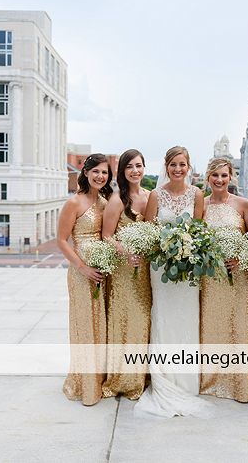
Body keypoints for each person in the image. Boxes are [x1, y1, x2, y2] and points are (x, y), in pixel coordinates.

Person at [133, 146, 213, 419]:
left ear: (188, 167)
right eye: (173, 164)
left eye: (182, 164)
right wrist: (168, 248)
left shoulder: (197, 194)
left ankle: (187, 382)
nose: (178, 169)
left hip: (189, 270)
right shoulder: (156, 195)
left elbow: (199, 231)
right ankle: (164, 377)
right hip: (162, 269)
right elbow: (149, 232)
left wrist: (189, 250)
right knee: (164, 318)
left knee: (187, 319)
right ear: (166, 167)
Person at [56, 153, 113, 406]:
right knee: (85, 326)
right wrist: (82, 268)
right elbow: (61, 241)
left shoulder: (106, 202)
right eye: (96, 171)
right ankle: (84, 384)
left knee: (100, 325)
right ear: (86, 173)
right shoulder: (74, 202)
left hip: (103, 271)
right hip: (81, 274)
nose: (100, 176)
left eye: (105, 172)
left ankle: (99, 379)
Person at [199, 158, 248, 402]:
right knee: (212, 327)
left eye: (224, 175)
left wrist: (241, 259)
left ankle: (239, 384)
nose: (219, 180)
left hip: (239, 280)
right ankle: (212, 381)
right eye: (215, 175)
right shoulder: (200, 205)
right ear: (208, 177)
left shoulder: (243, 204)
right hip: (210, 279)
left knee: (238, 328)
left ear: (231, 177)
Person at [101, 149, 152, 400]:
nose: (135, 171)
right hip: (123, 271)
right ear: (122, 171)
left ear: (144, 168)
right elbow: (107, 236)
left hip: (145, 270)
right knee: (124, 321)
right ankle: (122, 379)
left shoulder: (150, 196)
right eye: (129, 166)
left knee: (143, 321)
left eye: (138, 165)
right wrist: (126, 252)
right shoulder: (117, 199)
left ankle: (140, 376)